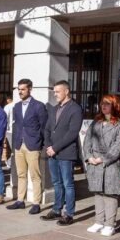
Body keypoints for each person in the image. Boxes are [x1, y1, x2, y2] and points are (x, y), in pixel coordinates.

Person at [83, 95, 120, 237]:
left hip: (112, 164)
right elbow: (87, 141)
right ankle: (98, 221)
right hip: (94, 162)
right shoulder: (97, 121)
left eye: (107, 104)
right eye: (102, 103)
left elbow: (119, 146)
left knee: (110, 194)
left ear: (115, 106)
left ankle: (110, 224)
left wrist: (102, 159)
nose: (103, 106)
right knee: (98, 192)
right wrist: (89, 156)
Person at [41, 80, 84, 226]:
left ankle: (69, 214)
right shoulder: (54, 108)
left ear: (66, 91)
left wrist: (55, 147)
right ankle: (56, 209)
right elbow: (47, 129)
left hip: (66, 153)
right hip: (52, 152)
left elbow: (72, 133)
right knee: (56, 183)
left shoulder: (75, 109)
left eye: (57, 91)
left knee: (68, 184)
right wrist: (48, 146)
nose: (55, 94)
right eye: (54, 92)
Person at [7, 79, 48, 215]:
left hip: (33, 145)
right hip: (19, 145)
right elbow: (17, 126)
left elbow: (44, 127)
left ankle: (36, 203)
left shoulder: (39, 106)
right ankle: (20, 200)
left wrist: (40, 143)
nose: (20, 91)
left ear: (30, 89)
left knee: (35, 175)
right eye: (18, 89)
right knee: (21, 174)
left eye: (23, 89)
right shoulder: (17, 106)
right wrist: (14, 145)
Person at [3, 95, 15, 169]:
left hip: (10, 130)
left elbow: (5, 119)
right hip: (13, 130)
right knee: (14, 149)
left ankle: (10, 163)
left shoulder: (8, 106)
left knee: (12, 149)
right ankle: (10, 163)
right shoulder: (13, 105)